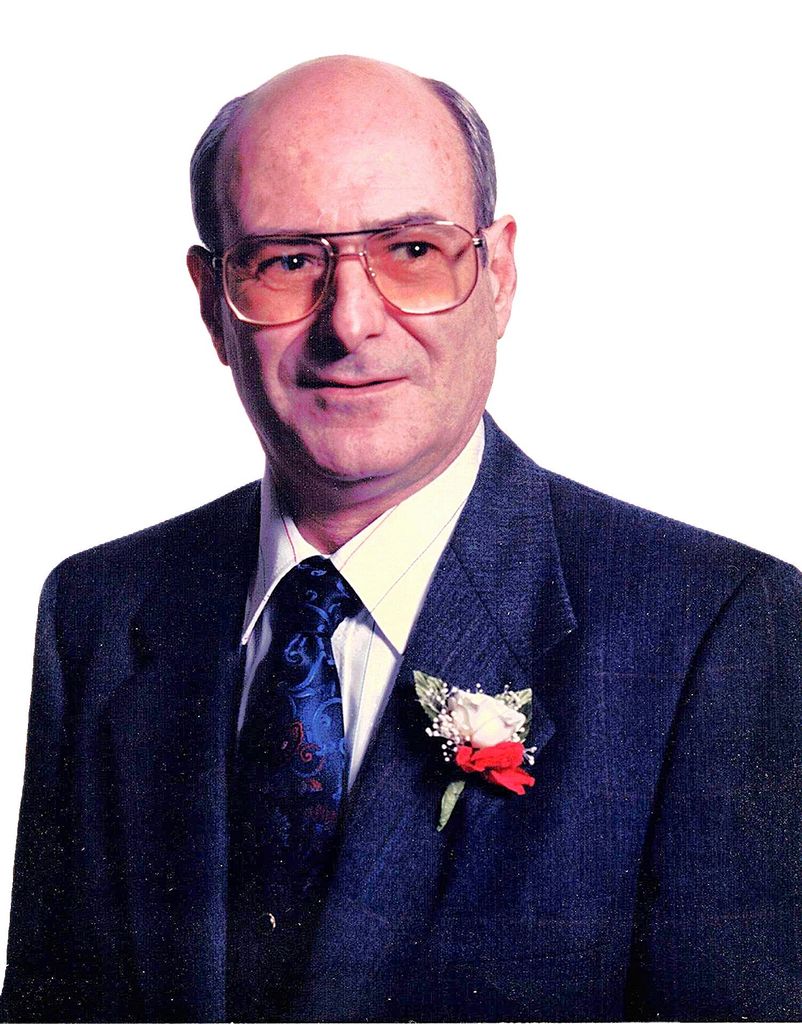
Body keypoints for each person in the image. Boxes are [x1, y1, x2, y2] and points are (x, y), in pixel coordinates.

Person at [1, 55, 799, 1024]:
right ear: (213, 300)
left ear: (497, 275)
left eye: (412, 250)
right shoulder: (99, 610)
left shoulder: (714, 630)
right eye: (288, 261)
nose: (350, 322)